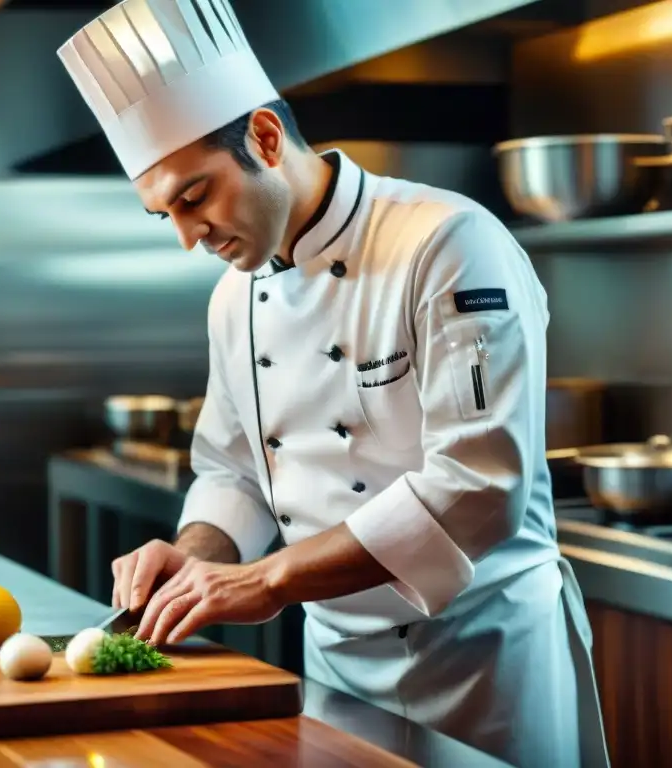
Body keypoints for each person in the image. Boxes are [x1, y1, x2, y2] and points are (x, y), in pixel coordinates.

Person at [58, 2, 610, 766]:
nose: (191, 236)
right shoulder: (234, 296)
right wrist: (198, 553)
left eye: (195, 197)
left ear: (263, 136)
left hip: (485, 667)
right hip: (338, 671)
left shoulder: (448, 245)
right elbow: (235, 471)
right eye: (166, 216)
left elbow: (477, 487)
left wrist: (269, 581)